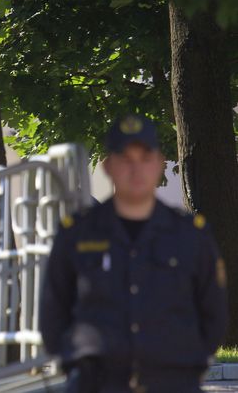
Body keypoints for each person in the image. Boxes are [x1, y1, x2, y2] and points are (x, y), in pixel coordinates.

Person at [39, 114, 228, 393]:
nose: (136, 169)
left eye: (145, 158)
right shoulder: (77, 234)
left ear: (159, 164)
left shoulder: (191, 235)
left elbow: (213, 313)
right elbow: (53, 310)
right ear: (108, 167)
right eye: (125, 159)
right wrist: (75, 365)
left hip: (172, 383)